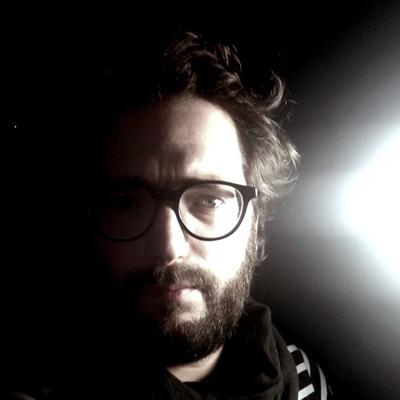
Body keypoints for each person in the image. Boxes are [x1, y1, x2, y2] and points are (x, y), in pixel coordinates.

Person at [6, 31, 332, 399]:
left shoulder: (304, 377)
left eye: (209, 201)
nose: (168, 248)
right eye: (126, 203)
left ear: (255, 226)